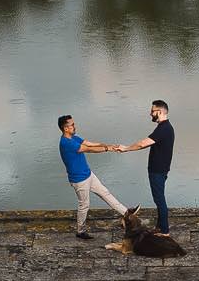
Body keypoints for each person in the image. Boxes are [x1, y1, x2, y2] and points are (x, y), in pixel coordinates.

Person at [57, 113, 129, 241]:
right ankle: (80, 231)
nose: (75, 126)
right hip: (79, 180)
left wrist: (109, 146)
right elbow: (88, 149)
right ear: (65, 128)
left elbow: (90, 144)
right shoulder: (66, 143)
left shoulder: (74, 138)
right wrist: (107, 149)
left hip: (88, 174)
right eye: (72, 125)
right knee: (84, 205)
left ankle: (127, 213)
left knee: (105, 193)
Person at [118, 100, 176, 236]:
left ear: (159, 112)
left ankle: (165, 231)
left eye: (152, 111)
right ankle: (160, 227)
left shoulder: (163, 129)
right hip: (160, 169)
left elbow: (142, 144)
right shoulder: (165, 127)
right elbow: (148, 143)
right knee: (159, 198)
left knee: (159, 200)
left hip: (158, 171)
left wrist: (126, 148)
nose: (150, 114)